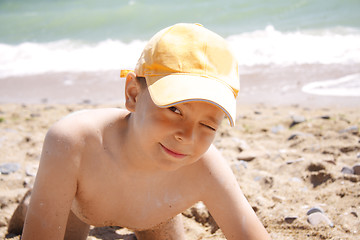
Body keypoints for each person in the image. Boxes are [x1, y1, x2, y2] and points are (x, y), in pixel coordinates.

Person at [21, 23, 271, 240]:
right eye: (174, 109)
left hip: (155, 213)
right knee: (43, 212)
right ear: (133, 94)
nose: (187, 135)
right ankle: (29, 201)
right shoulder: (74, 141)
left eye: (208, 125)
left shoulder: (203, 167)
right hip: (80, 204)